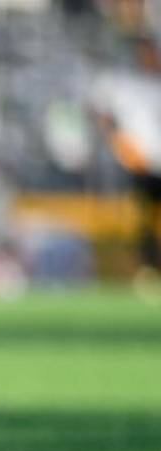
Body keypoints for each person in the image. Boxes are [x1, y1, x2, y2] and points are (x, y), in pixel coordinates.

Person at [90, 38, 161, 281]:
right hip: (142, 164)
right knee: (144, 219)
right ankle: (150, 267)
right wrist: (121, 145)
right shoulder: (128, 87)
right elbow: (103, 115)